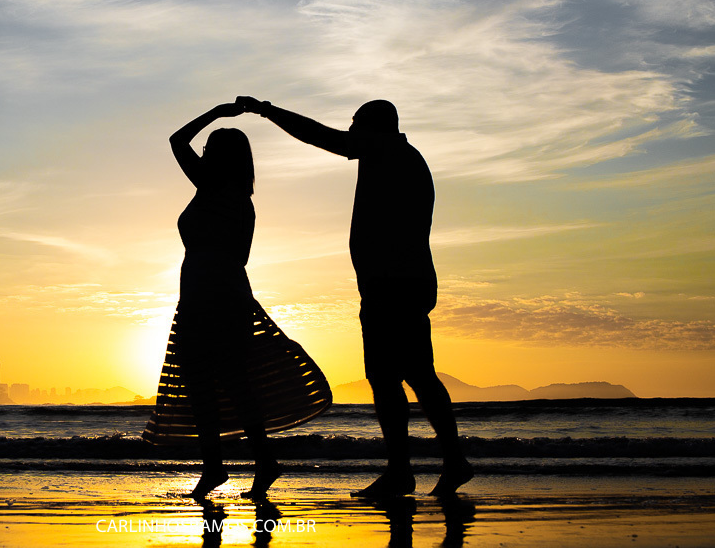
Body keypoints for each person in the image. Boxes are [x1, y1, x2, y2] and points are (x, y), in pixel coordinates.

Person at [235, 96, 473, 498]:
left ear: (372, 127)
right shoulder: (401, 156)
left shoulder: (386, 150)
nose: (350, 133)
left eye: (355, 125)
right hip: (400, 283)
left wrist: (267, 110)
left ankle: (418, 468)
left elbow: (321, 137)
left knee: (394, 378)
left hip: (392, 285)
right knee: (409, 376)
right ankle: (434, 464)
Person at [142, 102, 332, 499]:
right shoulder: (240, 200)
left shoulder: (213, 189)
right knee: (224, 384)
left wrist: (217, 112)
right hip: (215, 292)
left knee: (212, 384)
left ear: (219, 159)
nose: (204, 156)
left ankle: (227, 467)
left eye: (210, 151)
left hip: (210, 294)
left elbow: (177, 141)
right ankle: (249, 464)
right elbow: (239, 256)